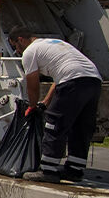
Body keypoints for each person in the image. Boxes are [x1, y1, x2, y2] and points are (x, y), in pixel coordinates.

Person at [8, 27, 102, 183]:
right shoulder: (54, 44)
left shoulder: (30, 52)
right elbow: (59, 80)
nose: (17, 51)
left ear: (20, 39)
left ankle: (48, 170)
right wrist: (45, 102)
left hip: (73, 81)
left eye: (15, 46)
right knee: (80, 127)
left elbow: (32, 84)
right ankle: (75, 170)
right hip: (93, 81)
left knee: (54, 125)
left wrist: (32, 106)